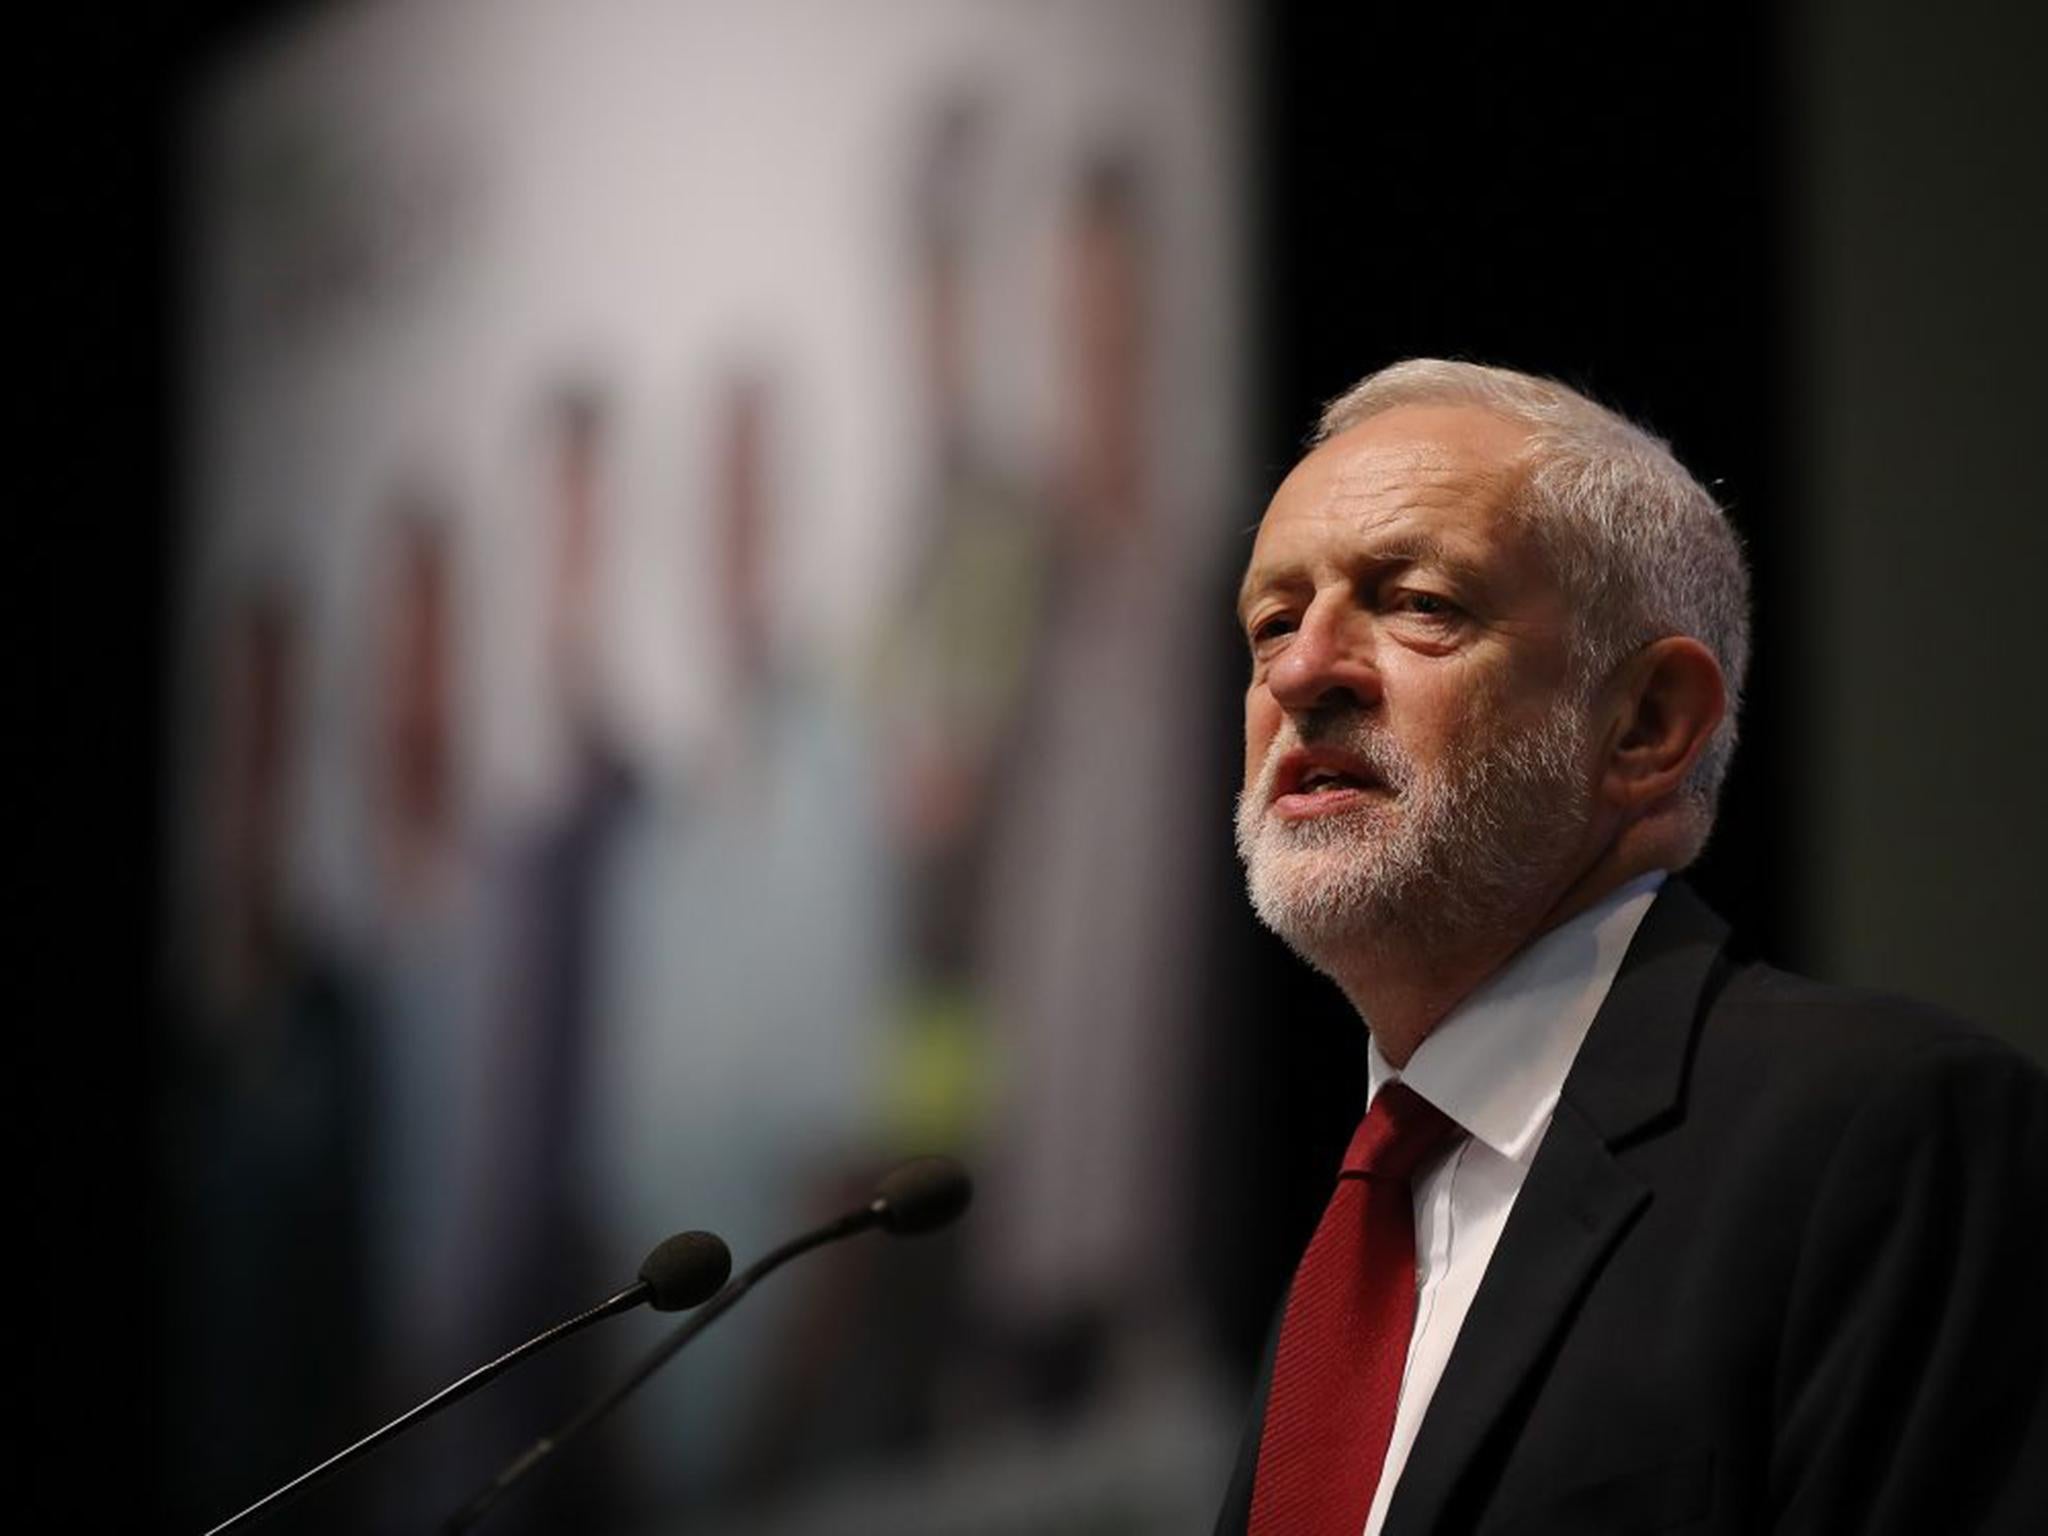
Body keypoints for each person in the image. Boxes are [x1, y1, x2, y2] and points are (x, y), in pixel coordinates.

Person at [1214, 359, 2048, 1535]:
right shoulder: (1359, 1234)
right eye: (1272, 622)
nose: (1302, 672)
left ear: (1647, 725)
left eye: (1419, 604)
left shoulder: (1881, 1132)